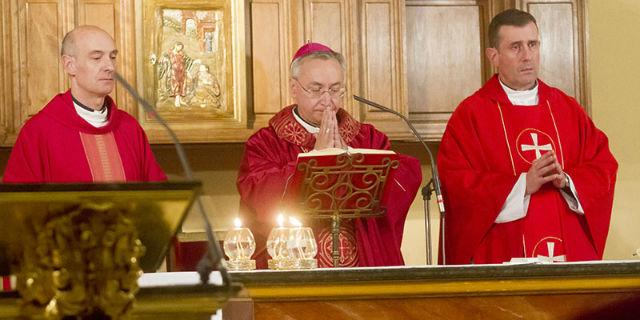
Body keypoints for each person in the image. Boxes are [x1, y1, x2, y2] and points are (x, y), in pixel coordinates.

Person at [437, 9, 618, 265]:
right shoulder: (471, 115)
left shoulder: (566, 108)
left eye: (532, 45)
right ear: (494, 57)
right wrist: (523, 185)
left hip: (568, 254)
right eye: (515, 47)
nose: (527, 56)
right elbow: (457, 184)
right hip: (502, 252)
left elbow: (604, 167)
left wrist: (566, 180)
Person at [237, 42, 422, 268]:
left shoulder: (368, 138)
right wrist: (316, 159)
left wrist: (352, 157)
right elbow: (259, 196)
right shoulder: (266, 143)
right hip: (296, 274)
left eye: (335, 90)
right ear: (294, 88)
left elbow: (404, 179)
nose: (327, 99)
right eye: (316, 89)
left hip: (362, 269)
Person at [3, 25, 166, 183]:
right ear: (69, 65)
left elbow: (158, 198)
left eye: (113, 57)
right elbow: (20, 206)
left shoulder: (129, 128)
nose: (110, 66)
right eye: (96, 58)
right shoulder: (38, 132)